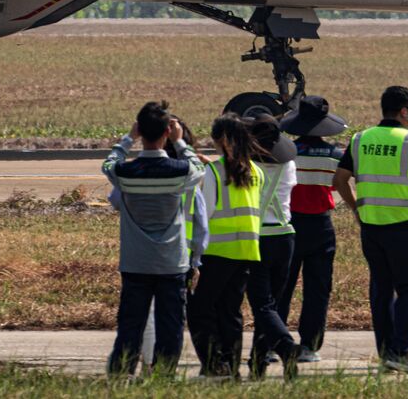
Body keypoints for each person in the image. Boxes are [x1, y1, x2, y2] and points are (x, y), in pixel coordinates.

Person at [333, 85, 408, 374]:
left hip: (371, 229)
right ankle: (399, 352)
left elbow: (340, 180)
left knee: (381, 290)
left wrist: (357, 208)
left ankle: (385, 352)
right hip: (403, 228)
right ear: (404, 111)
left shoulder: (360, 139)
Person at [102, 102, 207, 377]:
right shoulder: (179, 172)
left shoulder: (125, 174)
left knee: (130, 324)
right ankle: (163, 375)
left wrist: (127, 139)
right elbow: (198, 167)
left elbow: (109, 164)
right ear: (166, 132)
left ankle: (122, 372)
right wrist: (181, 142)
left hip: (136, 262)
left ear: (140, 130)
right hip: (172, 262)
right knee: (170, 325)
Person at [188, 114, 265, 377]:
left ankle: (213, 363)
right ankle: (230, 365)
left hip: (218, 250)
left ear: (220, 139)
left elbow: (204, 214)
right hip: (247, 250)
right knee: (230, 311)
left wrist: (192, 252)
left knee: (199, 310)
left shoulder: (213, 172)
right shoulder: (256, 171)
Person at [277, 96, 348, 363]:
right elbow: (334, 186)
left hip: (290, 225)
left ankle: (276, 341)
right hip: (321, 226)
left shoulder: (287, 154)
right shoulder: (335, 156)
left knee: (281, 286)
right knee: (318, 289)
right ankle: (309, 345)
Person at [245, 115, 301, 379]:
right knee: (272, 306)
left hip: (259, 238)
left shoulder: (248, 167)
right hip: (286, 236)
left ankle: (286, 347)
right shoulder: (289, 166)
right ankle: (257, 363)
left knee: (262, 306)